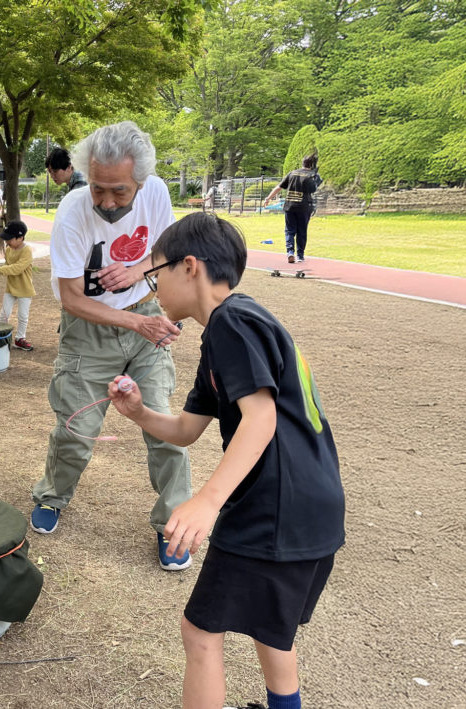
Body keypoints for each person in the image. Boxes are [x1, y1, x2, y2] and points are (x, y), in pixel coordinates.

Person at [106, 212, 345, 709]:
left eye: (157, 275)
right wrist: (138, 412)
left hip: (274, 507)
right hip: (312, 505)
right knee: (271, 631)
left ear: (189, 266)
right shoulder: (233, 328)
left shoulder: (231, 323)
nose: (154, 290)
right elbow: (187, 430)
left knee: (199, 631)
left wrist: (206, 501)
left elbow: (261, 420)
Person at [29, 121, 193, 574]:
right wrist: (134, 321)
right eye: (99, 188)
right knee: (76, 428)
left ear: (140, 181)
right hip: (90, 327)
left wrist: (141, 271)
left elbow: (169, 249)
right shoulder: (73, 211)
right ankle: (51, 496)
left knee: (163, 422)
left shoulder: (156, 192)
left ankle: (174, 523)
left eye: (119, 192)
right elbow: (71, 298)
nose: (106, 201)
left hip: (146, 317)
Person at [265, 154, 321, 264]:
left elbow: (279, 187)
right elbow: (313, 189)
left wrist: (268, 198)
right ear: (313, 164)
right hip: (304, 206)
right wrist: (317, 180)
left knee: (290, 230)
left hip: (289, 206)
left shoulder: (292, 173)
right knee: (302, 231)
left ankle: (290, 252)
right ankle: (300, 255)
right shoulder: (311, 176)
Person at [0, 219, 36, 351]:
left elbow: (17, 268)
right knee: (4, 314)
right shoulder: (9, 250)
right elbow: (8, 266)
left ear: (20, 238)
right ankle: (0, 337)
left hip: (24, 289)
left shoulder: (27, 250)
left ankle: (20, 339)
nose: (7, 242)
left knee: (23, 316)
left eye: (10, 239)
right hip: (10, 287)